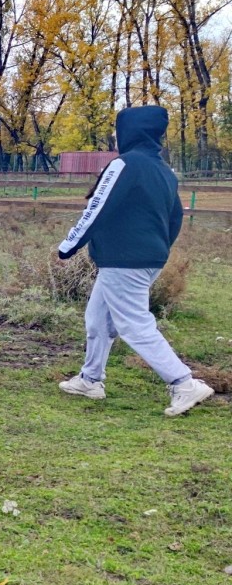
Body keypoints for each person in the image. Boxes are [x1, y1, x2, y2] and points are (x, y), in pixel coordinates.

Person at [56, 105, 214, 416]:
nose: (116, 137)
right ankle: (90, 379)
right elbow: (175, 218)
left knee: (133, 324)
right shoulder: (163, 171)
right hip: (147, 258)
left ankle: (184, 384)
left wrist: (68, 246)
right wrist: (158, 249)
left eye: (118, 130)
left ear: (129, 131)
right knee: (98, 318)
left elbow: (97, 207)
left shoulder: (124, 165)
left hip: (123, 259)